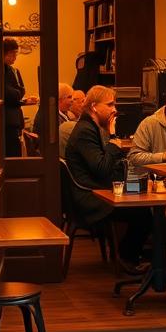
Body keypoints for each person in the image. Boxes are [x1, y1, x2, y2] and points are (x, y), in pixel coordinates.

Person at [64, 85, 151, 270]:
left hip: (103, 189)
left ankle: (130, 255)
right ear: (94, 106)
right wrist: (113, 140)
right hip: (92, 197)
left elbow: (108, 163)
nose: (115, 109)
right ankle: (128, 258)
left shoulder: (92, 127)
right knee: (144, 211)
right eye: (110, 105)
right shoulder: (85, 131)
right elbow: (102, 168)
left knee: (143, 192)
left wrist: (112, 139)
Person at [2, 37, 39, 157]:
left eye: (15, 54)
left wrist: (22, 100)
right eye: (11, 54)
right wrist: (19, 95)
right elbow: (10, 94)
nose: (14, 58)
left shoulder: (14, 71)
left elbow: (20, 91)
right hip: (8, 120)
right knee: (12, 154)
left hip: (15, 119)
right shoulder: (1, 70)